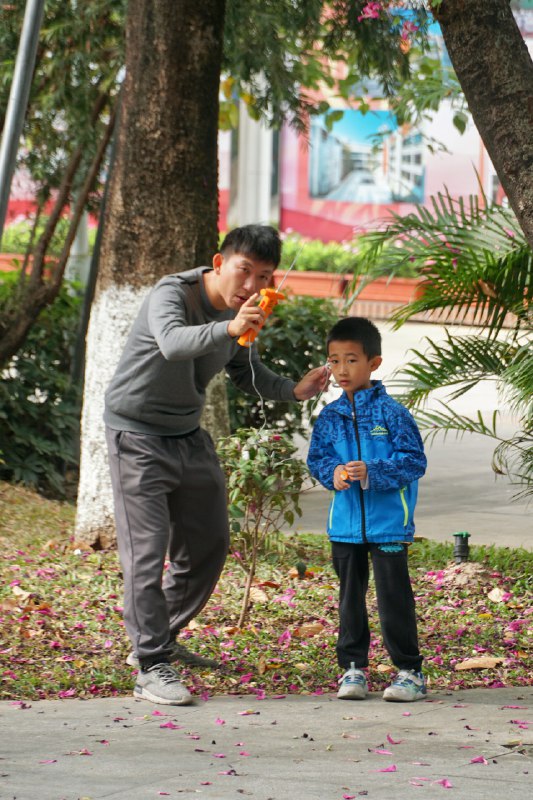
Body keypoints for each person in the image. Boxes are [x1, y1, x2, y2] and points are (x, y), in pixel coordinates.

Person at [104, 224, 328, 706]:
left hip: (187, 435)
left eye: (264, 276)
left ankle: (156, 640)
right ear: (220, 261)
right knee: (146, 554)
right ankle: (150, 664)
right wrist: (230, 327)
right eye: (244, 271)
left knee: (209, 544)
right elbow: (172, 342)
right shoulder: (174, 292)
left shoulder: (241, 314)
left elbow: (244, 370)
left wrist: (294, 388)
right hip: (135, 436)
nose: (252, 286)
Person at [307, 317, 427, 702]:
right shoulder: (328, 417)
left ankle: (409, 672)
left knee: (394, 599)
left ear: (374, 363)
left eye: (352, 360)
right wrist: (335, 472)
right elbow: (318, 460)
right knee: (349, 600)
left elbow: (414, 461)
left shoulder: (393, 413)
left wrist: (372, 471)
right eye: (334, 360)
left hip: (389, 525)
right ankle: (353, 670)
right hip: (344, 527)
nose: (342, 370)